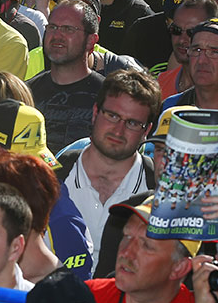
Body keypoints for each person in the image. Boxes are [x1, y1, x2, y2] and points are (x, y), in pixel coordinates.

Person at [59, 70, 159, 268]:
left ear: (146, 131)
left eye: (132, 123)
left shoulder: (158, 185)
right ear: (95, 113)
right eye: (112, 116)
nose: (118, 130)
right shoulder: (55, 175)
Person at [86, 198, 198, 303]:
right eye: (127, 236)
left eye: (146, 245)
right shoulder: (84, 298)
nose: (126, 252)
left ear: (179, 268)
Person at [26, 0, 105, 151]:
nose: (57, 35)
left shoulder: (109, 96)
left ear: (91, 41)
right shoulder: (27, 92)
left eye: (68, 29)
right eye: (52, 27)